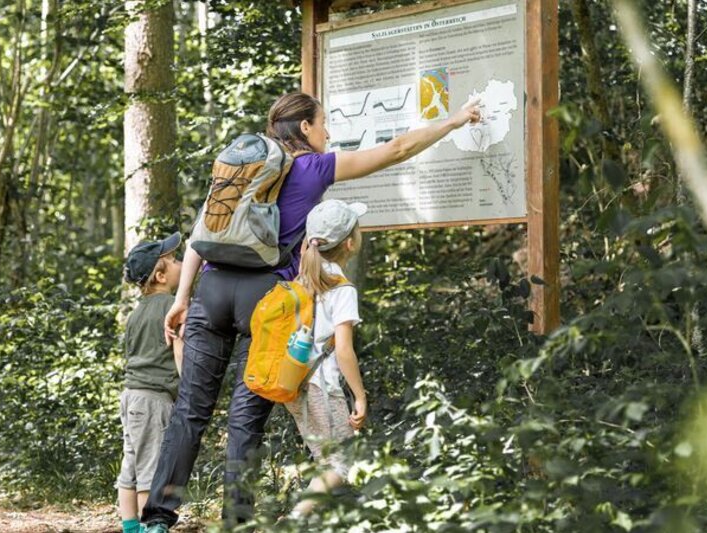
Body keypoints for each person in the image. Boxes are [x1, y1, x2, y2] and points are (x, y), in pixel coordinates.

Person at [141, 92, 481, 532]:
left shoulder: (242, 168)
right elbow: (396, 150)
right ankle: (237, 523)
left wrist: (182, 297)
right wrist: (453, 121)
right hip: (267, 298)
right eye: (323, 124)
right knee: (247, 417)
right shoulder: (313, 167)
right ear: (305, 128)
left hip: (212, 287)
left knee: (190, 408)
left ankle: (156, 520)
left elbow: (200, 232)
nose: (328, 133)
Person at [284, 199, 367, 517]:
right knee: (340, 464)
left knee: (325, 461)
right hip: (323, 385)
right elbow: (344, 350)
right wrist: (360, 396)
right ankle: (293, 520)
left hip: (294, 381)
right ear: (349, 242)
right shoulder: (341, 288)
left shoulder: (301, 280)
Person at [118, 233, 185, 533]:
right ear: (160, 276)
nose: (180, 264)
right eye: (173, 261)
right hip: (154, 399)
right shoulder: (172, 307)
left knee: (131, 465)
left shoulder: (135, 314)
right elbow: (179, 351)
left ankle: (131, 526)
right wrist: (189, 390)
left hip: (131, 396)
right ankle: (151, 527)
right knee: (151, 469)